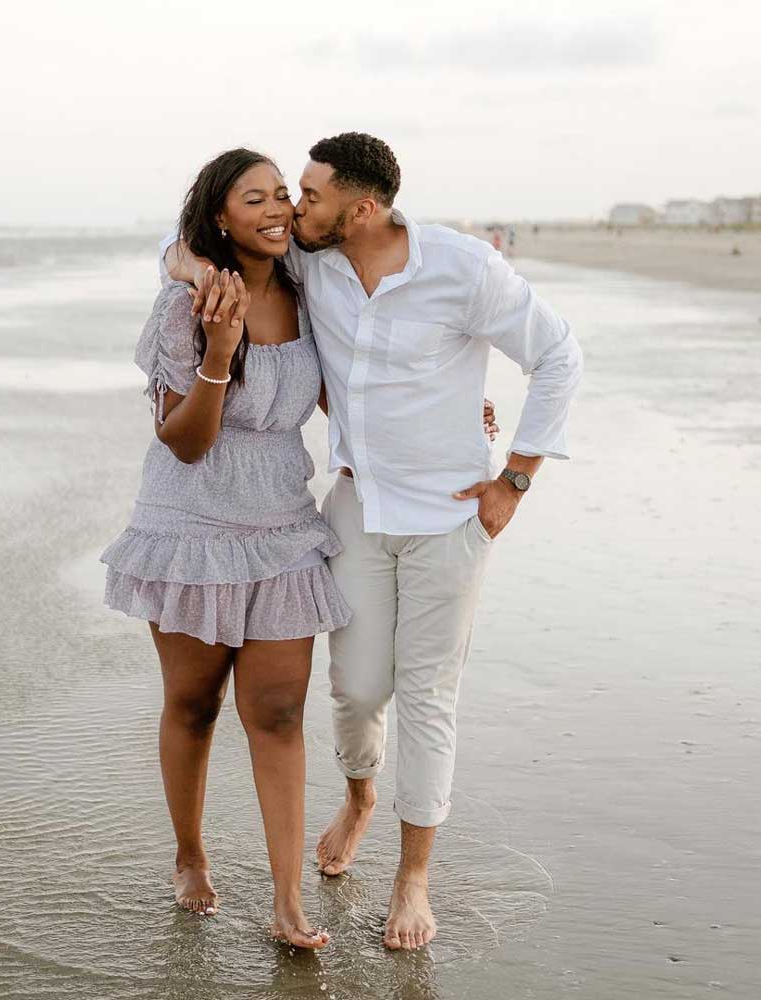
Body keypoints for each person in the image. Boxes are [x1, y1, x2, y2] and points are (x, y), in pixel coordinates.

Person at [166, 131, 580, 952]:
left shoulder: (463, 268)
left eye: (309, 194)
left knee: (427, 695)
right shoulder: (312, 263)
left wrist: (517, 476)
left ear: (361, 209)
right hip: (355, 507)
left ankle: (412, 876)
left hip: (453, 517)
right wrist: (193, 271)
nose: (293, 206)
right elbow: (189, 239)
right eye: (290, 191)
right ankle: (359, 797)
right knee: (354, 689)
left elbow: (558, 354)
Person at [100, 148, 354, 949]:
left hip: (283, 530)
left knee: (278, 713)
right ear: (221, 215)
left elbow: (374, 365)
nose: (278, 209)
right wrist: (217, 351)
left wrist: (460, 415)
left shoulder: (315, 292)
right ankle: (190, 854)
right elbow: (182, 443)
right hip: (191, 532)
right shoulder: (185, 307)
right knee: (195, 704)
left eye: (284, 196)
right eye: (257, 199)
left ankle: (287, 902)